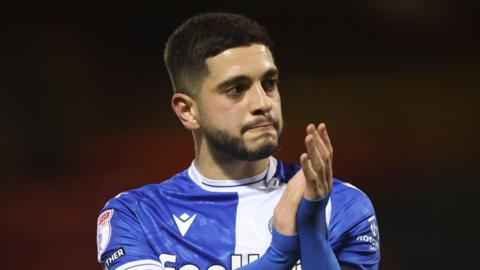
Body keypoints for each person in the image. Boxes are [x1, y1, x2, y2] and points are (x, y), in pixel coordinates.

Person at [96, 12, 380, 270]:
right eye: (236, 89)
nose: (263, 103)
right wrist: (279, 255)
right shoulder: (137, 215)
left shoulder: (341, 205)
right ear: (188, 111)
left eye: (269, 83)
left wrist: (313, 228)